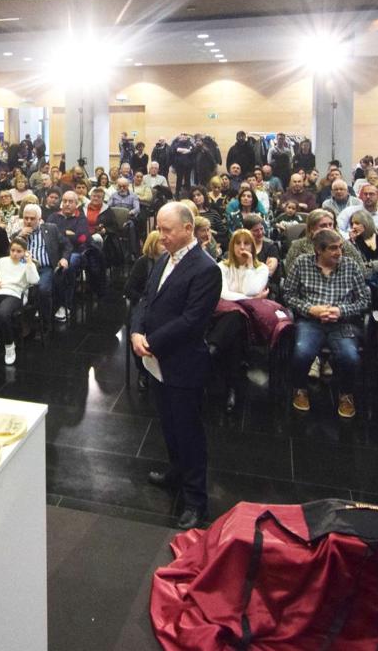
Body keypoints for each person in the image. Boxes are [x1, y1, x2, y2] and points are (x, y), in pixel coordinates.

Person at [130, 203, 221, 529]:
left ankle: (196, 501)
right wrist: (136, 330)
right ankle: (175, 472)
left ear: (187, 229)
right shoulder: (163, 259)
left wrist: (150, 341)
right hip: (157, 361)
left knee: (189, 431)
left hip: (182, 363)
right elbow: (145, 299)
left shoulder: (206, 268)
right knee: (168, 423)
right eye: (159, 228)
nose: (161, 236)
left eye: (167, 230)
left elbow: (193, 321)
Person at [282, 229, 369, 417]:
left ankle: (346, 394)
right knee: (302, 352)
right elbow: (288, 295)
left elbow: (364, 301)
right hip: (310, 320)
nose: (339, 252)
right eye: (333, 248)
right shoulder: (302, 263)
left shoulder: (350, 266)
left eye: (340, 247)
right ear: (319, 250)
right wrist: (310, 309)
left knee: (350, 357)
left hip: (342, 322)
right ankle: (300, 389)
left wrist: (340, 311)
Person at [208, 229, 271, 411]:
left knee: (236, 318)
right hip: (223, 315)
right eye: (238, 243)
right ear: (232, 245)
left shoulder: (261, 268)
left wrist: (249, 265)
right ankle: (232, 388)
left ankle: (212, 349)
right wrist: (251, 299)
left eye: (247, 243)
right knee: (235, 322)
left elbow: (250, 288)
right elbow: (223, 293)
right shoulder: (223, 266)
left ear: (253, 247)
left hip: (250, 319)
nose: (242, 247)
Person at [0, 238, 40, 365]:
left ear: (25, 252)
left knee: (3, 314)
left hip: (16, 294)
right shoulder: (3, 261)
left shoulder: (27, 265)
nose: (15, 253)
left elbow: (34, 280)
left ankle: (9, 346)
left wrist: (29, 262)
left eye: (19, 251)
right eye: (13, 250)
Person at [17, 203, 72, 323]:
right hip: (23, 268)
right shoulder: (18, 233)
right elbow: (10, 252)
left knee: (43, 290)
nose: (29, 221)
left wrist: (64, 259)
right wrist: (20, 237)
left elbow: (67, 245)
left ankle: (45, 320)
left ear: (39, 219)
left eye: (32, 219)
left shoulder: (51, 229)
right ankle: (23, 319)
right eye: (26, 218)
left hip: (44, 268)